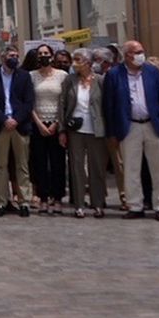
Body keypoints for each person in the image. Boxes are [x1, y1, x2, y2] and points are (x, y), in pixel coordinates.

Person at [103, 40, 159, 221]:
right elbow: (108, 106)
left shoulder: (152, 72)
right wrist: (112, 133)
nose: (142, 55)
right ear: (127, 55)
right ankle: (135, 205)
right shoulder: (114, 75)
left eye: (142, 51)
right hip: (129, 126)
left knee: (158, 167)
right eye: (138, 52)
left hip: (152, 125)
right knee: (131, 168)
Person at [0, 43, 34, 216]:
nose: (14, 58)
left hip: (19, 125)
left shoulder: (25, 76)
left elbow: (29, 102)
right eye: (10, 56)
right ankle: (1, 201)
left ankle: (24, 202)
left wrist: (16, 119)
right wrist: (4, 119)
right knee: (1, 166)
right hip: (1, 125)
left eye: (16, 56)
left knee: (22, 165)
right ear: (3, 57)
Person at [60, 48, 107, 218]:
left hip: (96, 129)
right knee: (77, 167)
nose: (75, 63)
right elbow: (63, 104)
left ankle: (98, 203)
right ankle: (79, 204)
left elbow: (105, 105)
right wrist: (62, 130)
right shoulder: (70, 80)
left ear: (88, 62)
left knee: (97, 167)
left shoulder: (100, 80)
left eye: (78, 59)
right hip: (76, 129)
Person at [27, 46, 66, 215]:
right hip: (38, 125)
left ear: (52, 56)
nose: (43, 56)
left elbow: (64, 101)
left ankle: (57, 198)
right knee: (40, 163)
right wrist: (39, 123)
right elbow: (30, 102)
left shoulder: (62, 76)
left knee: (57, 163)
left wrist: (56, 123)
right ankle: (42, 198)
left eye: (46, 54)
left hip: (56, 124)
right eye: (40, 54)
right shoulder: (31, 76)